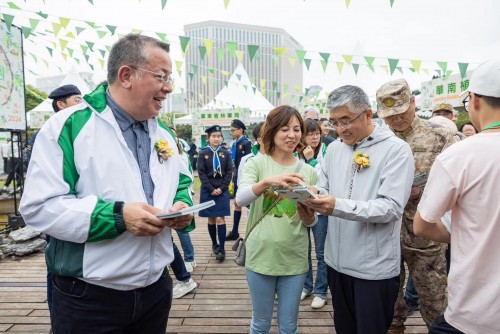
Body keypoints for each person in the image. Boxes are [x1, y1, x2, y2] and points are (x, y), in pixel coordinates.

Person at [20, 33, 194, 334]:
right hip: (88, 297)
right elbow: (39, 207)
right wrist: (118, 217)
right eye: (161, 77)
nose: (169, 88)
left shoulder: (164, 133)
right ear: (126, 75)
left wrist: (183, 206)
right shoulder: (68, 127)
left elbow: (182, 182)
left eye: (170, 78)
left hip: (156, 290)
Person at [303, 85, 414, 334]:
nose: (340, 129)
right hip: (336, 263)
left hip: (373, 270)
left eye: (345, 120)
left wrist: (336, 205)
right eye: (333, 122)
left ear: (367, 114)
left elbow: (391, 208)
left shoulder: (396, 150)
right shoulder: (334, 149)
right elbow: (323, 187)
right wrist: (309, 197)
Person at [414, 58, 500, 334]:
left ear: (474, 100)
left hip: (474, 315)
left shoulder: (459, 156)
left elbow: (422, 224)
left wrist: (467, 232)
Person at [376, 79, 455, 332]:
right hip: (385, 233)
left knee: (434, 300)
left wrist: (426, 191)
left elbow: (459, 183)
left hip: (426, 236)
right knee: (388, 298)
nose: (396, 120)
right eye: (389, 115)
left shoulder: (441, 136)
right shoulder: (376, 140)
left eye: (401, 112)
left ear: (413, 103)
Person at [236, 105, 318, 333]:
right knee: (260, 324)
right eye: (284, 129)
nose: (292, 135)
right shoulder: (257, 163)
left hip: (295, 257)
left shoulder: (308, 171)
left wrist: (309, 215)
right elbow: (240, 199)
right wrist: (267, 182)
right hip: (260, 255)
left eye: (296, 129)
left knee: (289, 326)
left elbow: (312, 223)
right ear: (271, 131)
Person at [298, 119, 329, 309]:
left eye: (317, 133)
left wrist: (311, 160)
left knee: (321, 251)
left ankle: (321, 291)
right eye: (310, 134)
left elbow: (321, 179)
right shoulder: (296, 155)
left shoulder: (328, 151)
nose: (315, 137)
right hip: (301, 207)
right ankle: (306, 285)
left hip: (322, 208)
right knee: (303, 249)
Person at [197, 125, 233, 261]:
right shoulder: (203, 154)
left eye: (219, 136)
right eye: (214, 136)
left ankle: (222, 249)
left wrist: (222, 188)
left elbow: (229, 172)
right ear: (208, 138)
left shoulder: (226, 153)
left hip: (222, 190)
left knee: (220, 218)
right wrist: (211, 189)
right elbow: (201, 173)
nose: (217, 139)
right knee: (211, 218)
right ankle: (214, 244)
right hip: (208, 190)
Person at [226, 119, 252, 241]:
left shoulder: (247, 143)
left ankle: (251, 229)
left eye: (233, 130)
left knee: (247, 204)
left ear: (240, 130)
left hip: (244, 177)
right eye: (230, 130)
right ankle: (235, 231)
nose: (231, 132)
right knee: (237, 203)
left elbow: (248, 162)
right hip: (236, 176)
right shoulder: (235, 143)